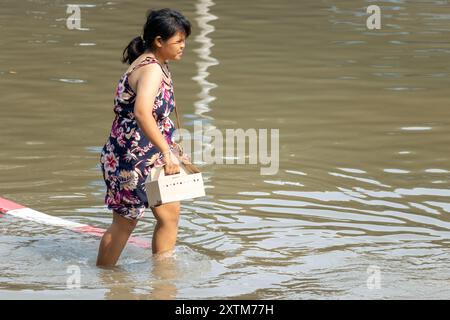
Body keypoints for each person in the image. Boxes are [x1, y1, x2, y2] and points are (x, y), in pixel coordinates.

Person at [97, 8, 191, 267]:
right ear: (159, 42)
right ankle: (107, 282)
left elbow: (157, 118)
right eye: (178, 41)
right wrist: (166, 151)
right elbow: (142, 113)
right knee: (124, 224)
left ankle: (162, 280)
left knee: (169, 216)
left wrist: (172, 149)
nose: (183, 46)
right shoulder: (150, 70)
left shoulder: (160, 64)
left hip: (150, 157)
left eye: (185, 40)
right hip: (131, 160)